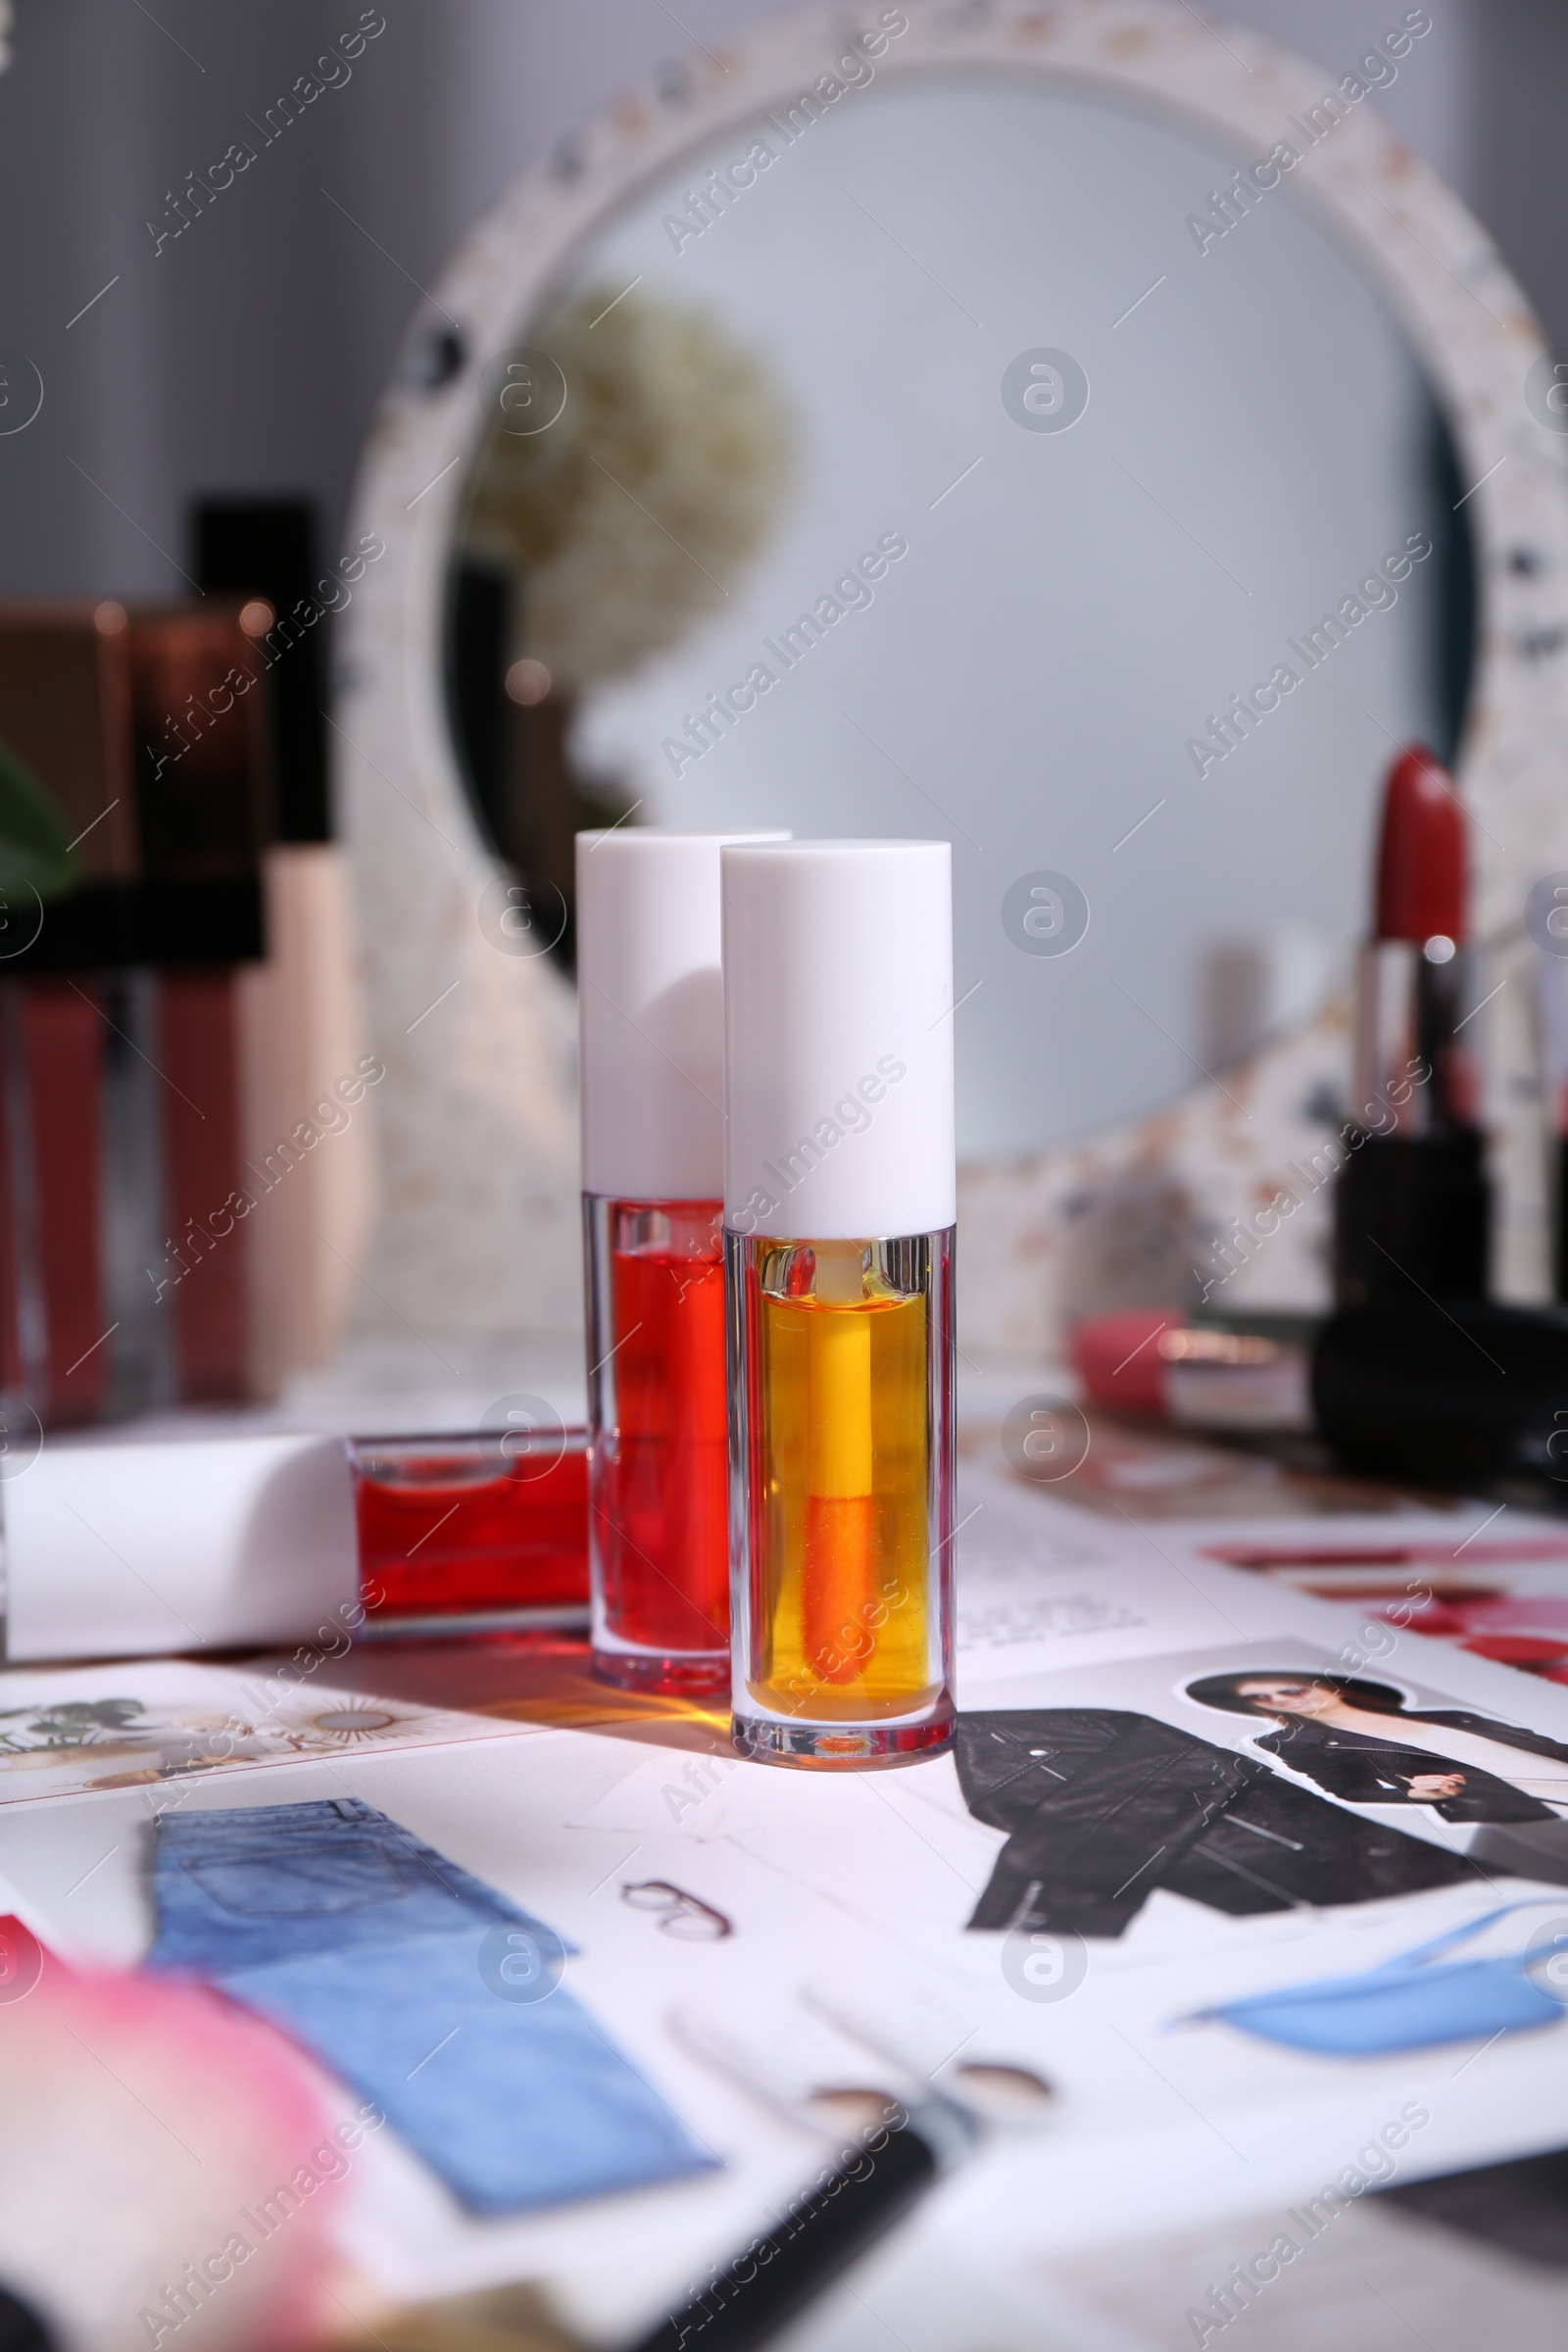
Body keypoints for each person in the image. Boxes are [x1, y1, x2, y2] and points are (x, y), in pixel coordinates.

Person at [1184, 1670, 1568, 1824]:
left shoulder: (1452, 1714)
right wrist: (1413, 1792)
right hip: (1518, 1808)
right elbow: (1345, 1789)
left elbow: (1545, 1744)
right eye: (1265, 1698)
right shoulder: (1296, 1742)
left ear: (1330, 1686)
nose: (1280, 1699)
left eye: (1291, 1688)